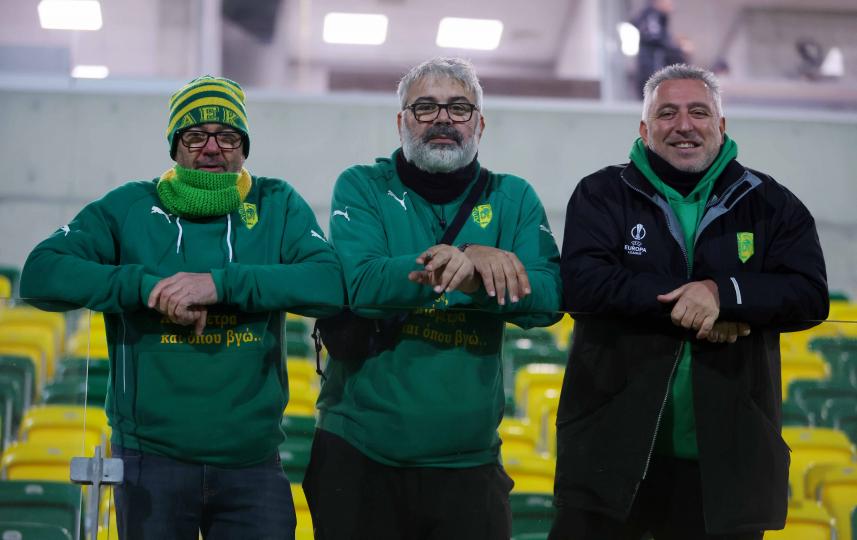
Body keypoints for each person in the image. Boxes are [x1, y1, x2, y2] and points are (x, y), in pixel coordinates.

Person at [20, 75, 344, 540]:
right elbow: (40, 273)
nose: (212, 148)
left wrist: (220, 284)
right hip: (149, 461)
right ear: (174, 146)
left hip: (252, 463)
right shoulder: (131, 206)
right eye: (195, 136)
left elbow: (329, 284)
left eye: (227, 136)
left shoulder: (277, 204)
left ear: (244, 146)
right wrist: (146, 288)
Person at [553, 63, 828, 539]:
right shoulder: (601, 194)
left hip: (728, 468)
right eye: (667, 113)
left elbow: (809, 294)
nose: (684, 125)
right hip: (607, 457)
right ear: (644, 129)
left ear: (720, 124)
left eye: (698, 112)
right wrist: (696, 308)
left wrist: (724, 295)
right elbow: (582, 285)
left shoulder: (772, 203)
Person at [303, 57, 563, 539]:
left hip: (470, 464)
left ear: (479, 124)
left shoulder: (513, 197)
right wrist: (467, 262)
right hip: (359, 454)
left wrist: (473, 279)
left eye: (459, 108)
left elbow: (548, 296)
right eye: (425, 107)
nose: (443, 119)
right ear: (401, 121)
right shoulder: (362, 186)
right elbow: (363, 283)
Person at [632, 0, 689, 98]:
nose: (672, 5)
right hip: (652, 68)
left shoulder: (658, 18)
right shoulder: (651, 17)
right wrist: (678, 49)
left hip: (654, 68)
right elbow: (656, 38)